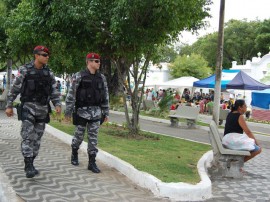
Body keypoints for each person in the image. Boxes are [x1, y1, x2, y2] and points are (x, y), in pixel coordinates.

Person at [5, 45, 62, 178]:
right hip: (28, 108)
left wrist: (57, 104)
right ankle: (28, 165)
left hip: (42, 110)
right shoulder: (24, 70)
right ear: (36, 55)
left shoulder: (49, 73)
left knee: (37, 139)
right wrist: (9, 105)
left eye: (48, 55)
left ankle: (31, 162)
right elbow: (15, 89)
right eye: (44, 55)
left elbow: (54, 90)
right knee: (27, 137)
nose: (47, 57)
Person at [65, 52, 109, 173]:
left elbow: (105, 96)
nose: (99, 63)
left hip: (96, 112)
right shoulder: (79, 76)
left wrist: (106, 112)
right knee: (79, 136)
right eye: (96, 61)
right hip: (81, 112)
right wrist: (68, 112)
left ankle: (92, 162)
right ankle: (74, 153)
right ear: (89, 62)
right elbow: (71, 94)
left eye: (99, 61)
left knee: (93, 139)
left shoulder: (102, 78)